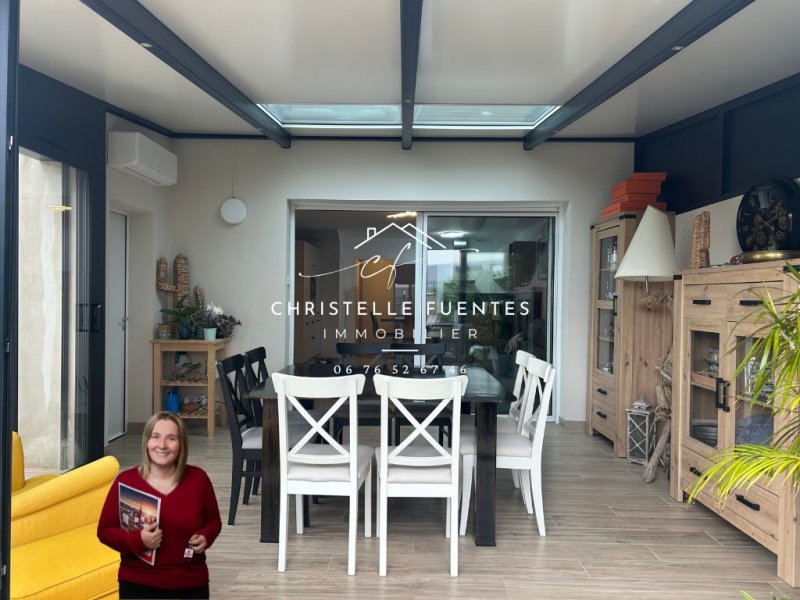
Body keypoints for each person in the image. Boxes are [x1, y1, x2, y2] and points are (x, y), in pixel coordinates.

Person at [98, 412, 222, 599]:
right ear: (146, 441)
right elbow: (105, 531)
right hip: (138, 583)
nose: (162, 445)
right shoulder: (126, 481)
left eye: (171, 438)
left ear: (181, 444)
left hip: (190, 583)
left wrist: (206, 536)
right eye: (155, 437)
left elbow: (214, 521)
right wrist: (138, 540)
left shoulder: (199, 479)